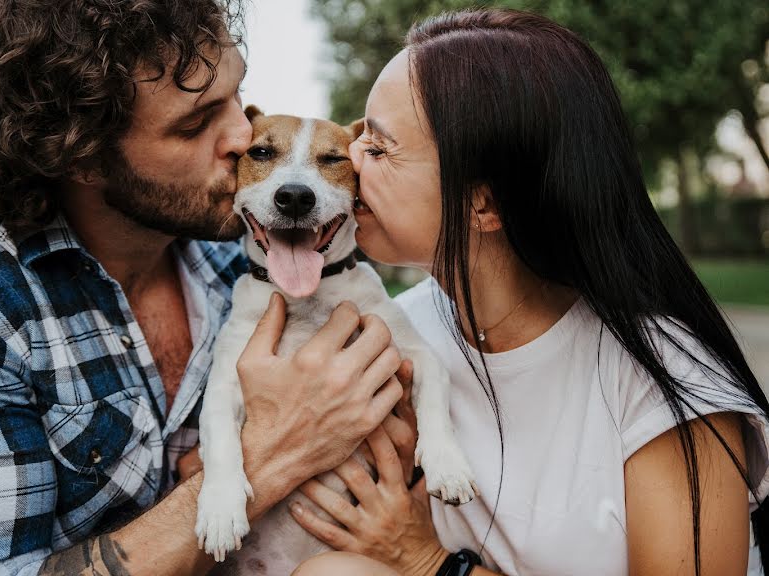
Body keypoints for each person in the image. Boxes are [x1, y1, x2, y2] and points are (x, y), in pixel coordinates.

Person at [0, 1, 416, 574]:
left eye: (234, 95)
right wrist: (274, 453)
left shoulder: (246, 252)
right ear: (82, 156)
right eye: (196, 123)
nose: (242, 135)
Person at [289, 8, 769, 576]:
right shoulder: (394, 334)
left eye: (380, 146)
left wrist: (427, 561)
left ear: (483, 203)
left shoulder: (664, 381)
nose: (349, 159)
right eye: (358, 132)